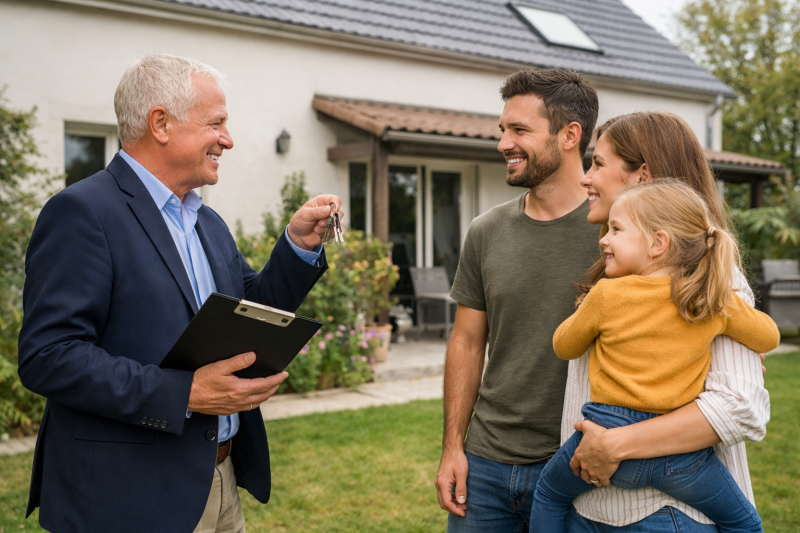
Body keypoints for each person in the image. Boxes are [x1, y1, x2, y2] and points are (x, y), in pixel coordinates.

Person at [17, 54, 339, 533]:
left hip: (220, 479)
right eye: (217, 123)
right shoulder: (82, 213)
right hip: (128, 498)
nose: (227, 139)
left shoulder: (204, 219)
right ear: (161, 123)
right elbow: (49, 356)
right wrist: (186, 392)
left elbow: (251, 310)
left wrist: (296, 246)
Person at [560, 112, 770, 532]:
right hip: (595, 509)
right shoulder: (620, 268)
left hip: (666, 513)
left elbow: (740, 406)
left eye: (598, 164)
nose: (585, 178)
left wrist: (613, 444)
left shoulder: (711, 276)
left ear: (644, 178)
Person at [434, 68, 601, 532]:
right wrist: (453, 447)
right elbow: (467, 343)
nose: (503, 143)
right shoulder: (485, 231)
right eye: (502, 130)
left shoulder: (613, 231)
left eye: (519, 130)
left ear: (570, 136)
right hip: (485, 467)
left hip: (575, 463)